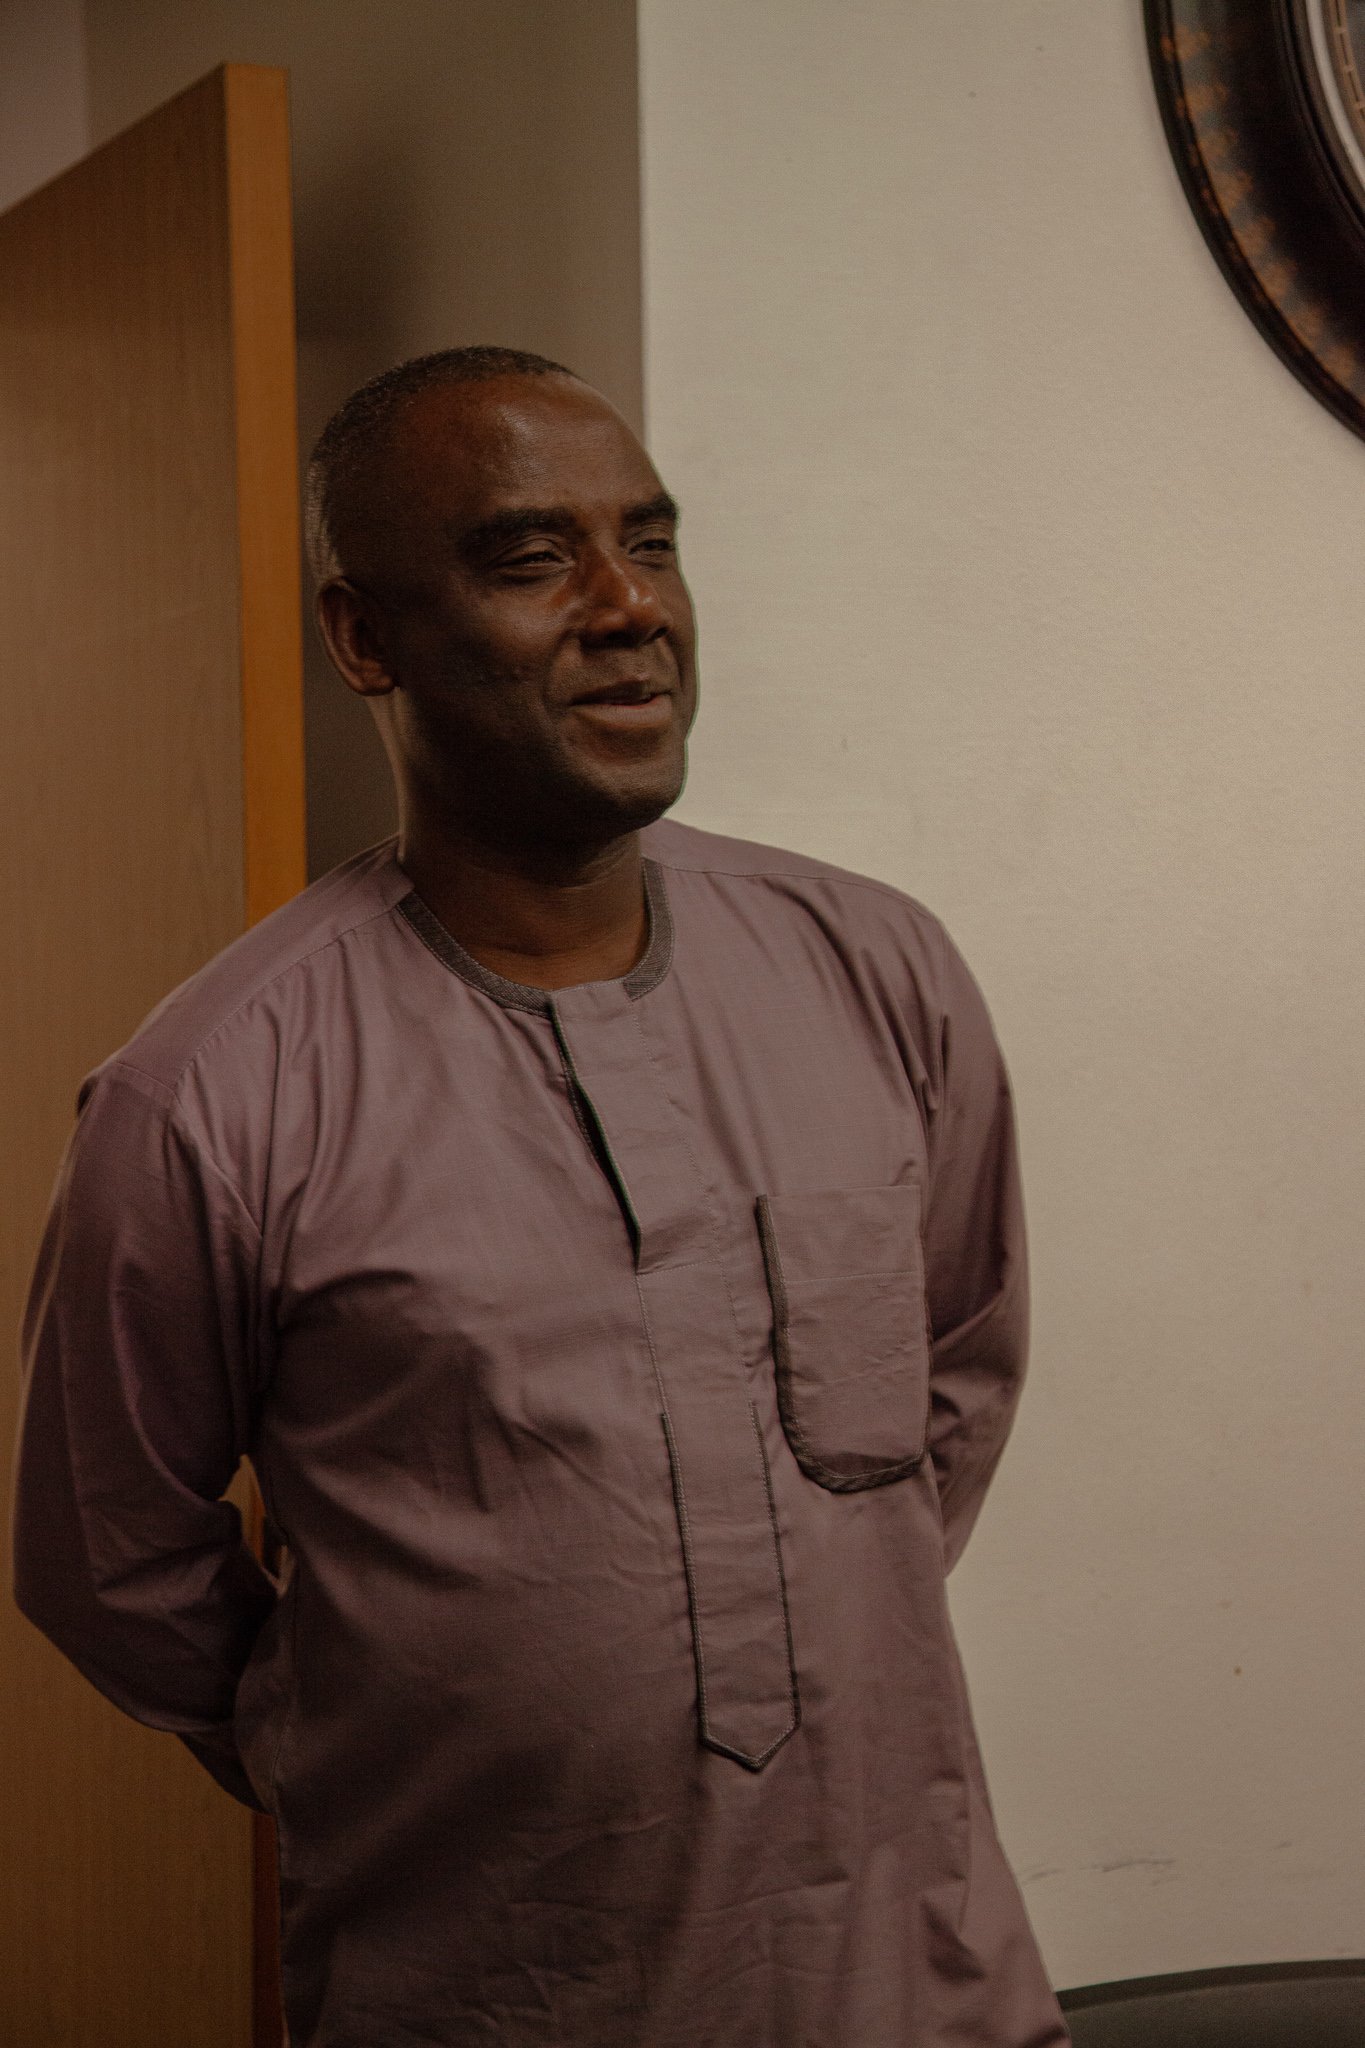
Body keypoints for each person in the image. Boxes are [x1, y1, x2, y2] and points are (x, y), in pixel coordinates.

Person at [13, 345, 1068, 2047]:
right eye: (530, 560)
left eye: (649, 544)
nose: (627, 606)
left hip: (914, 1978)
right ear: (365, 637)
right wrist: (352, 1724)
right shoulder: (212, 1092)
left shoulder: (874, 972)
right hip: (489, 1994)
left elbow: (957, 1370)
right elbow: (106, 1553)